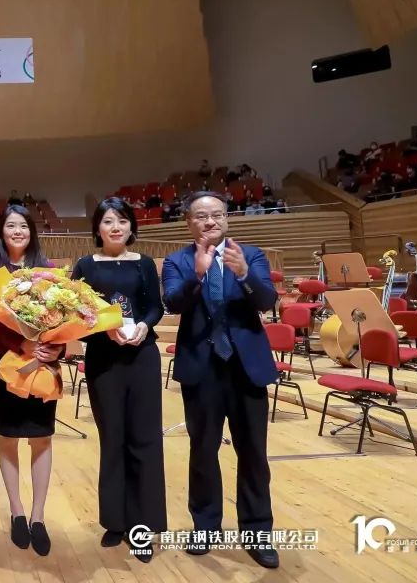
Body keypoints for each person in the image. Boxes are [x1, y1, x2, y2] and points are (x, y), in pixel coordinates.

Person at [162, 191, 280, 569]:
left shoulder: (251, 255)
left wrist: (244, 274)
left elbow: (266, 301)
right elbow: (173, 303)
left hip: (246, 368)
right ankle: (206, 526)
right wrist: (197, 275)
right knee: (203, 451)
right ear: (189, 222)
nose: (210, 221)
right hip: (202, 368)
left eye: (216, 214)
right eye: (201, 216)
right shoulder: (178, 261)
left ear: (226, 218)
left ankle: (257, 532)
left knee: (254, 454)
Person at [72, 198, 165, 562]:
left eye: (123, 221)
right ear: (98, 228)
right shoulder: (85, 265)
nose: (116, 227)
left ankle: (142, 526)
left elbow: (154, 306)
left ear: (131, 227)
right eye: (108, 221)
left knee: (144, 440)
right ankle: (114, 520)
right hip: (104, 358)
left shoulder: (144, 263)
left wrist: (144, 325)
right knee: (112, 438)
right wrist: (103, 329)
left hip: (142, 356)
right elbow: (76, 313)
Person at [0, 204, 57, 556]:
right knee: (8, 437)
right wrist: (21, 343)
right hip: (4, 362)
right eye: (11, 225)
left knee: (41, 438)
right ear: (1, 232)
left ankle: (38, 516)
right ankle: (17, 511)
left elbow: (62, 316)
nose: (17, 231)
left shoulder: (49, 269)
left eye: (23, 225)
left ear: (31, 231)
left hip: (42, 363)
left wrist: (52, 348)